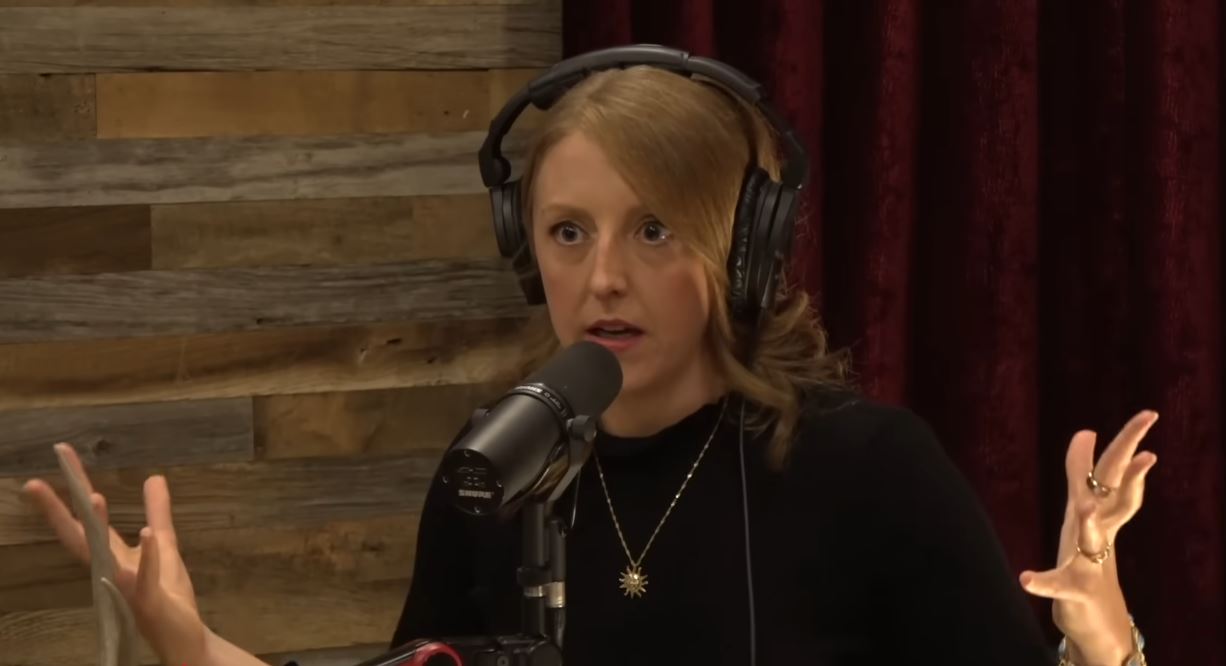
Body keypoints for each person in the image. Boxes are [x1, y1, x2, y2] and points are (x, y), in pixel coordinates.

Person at [19, 47, 1156, 666]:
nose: (603, 276)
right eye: (569, 232)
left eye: (652, 230)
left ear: (742, 250)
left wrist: (1104, 647)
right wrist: (190, 645)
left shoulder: (867, 470)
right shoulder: (494, 470)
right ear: (528, 253)